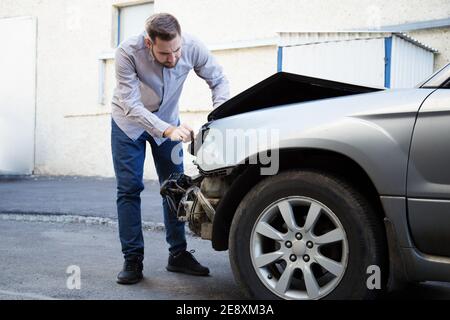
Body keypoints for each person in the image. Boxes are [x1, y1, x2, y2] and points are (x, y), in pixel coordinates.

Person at [111, 13, 230, 284]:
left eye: (176, 50)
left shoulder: (192, 47)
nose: (173, 58)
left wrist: (219, 115)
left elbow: (219, 80)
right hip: (128, 124)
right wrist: (166, 130)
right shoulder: (127, 53)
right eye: (165, 53)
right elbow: (131, 105)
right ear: (148, 42)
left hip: (167, 121)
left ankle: (178, 255)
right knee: (129, 189)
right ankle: (133, 260)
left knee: (175, 187)